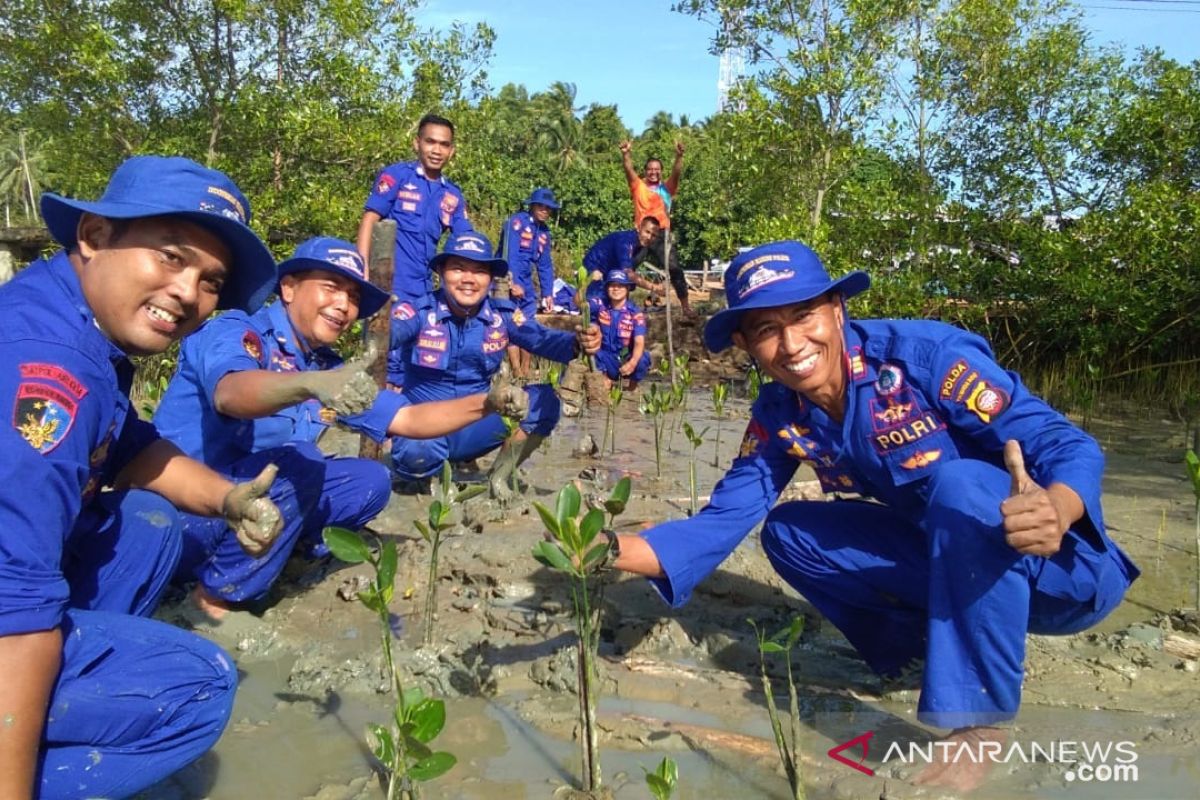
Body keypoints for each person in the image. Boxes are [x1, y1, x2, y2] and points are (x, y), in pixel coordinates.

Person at [599, 240, 1139, 792]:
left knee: (961, 484)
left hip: (1059, 573)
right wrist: (600, 550)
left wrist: (1057, 506)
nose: (791, 345)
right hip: (951, 574)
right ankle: (914, 657)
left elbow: (1065, 443)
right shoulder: (782, 414)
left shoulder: (924, 359)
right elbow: (723, 519)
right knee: (789, 533)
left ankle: (978, 720)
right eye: (765, 330)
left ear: (837, 309)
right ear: (745, 345)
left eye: (803, 315)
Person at [0, 155, 287, 798]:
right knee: (196, 683)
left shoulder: (72, 318)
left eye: (210, 280)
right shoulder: (52, 373)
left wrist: (227, 499)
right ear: (95, 236)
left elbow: (134, 449)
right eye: (170, 257)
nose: (188, 292)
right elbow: (12, 611)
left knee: (150, 523)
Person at [154, 237, 526, 617]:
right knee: (300, 460)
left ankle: (281, 560)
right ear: (288, 287)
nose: (343, 305)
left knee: (369, 482)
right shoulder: (238, 332)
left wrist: (489, 402)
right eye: (331, 287)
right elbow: (231, 393)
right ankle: (213, 601)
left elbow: (409, 419)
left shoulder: (324, 365)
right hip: (183, 513)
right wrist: (304, 385)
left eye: (352, 297)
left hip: (256, 512)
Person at [389, 231, 600, 501]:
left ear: (490, 279)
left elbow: (544, 340)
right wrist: (379, 325)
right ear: (441, 271)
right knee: (418, 453)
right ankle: (427, 481)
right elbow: (386, 336)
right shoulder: (418, 313)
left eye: (479, 271)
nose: (468, 279)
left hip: (475, 425)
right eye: (458, 268)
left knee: (545, 402)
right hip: (424, 428)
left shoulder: (502, 316)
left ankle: (498, 478)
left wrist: (580, 342)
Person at [356, 113, 472, 304]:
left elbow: (466, 241)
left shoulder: (453, 194)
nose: (437, 150)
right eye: (430, 142)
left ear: (451, 151)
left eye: (444, 145)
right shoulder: (396, 176)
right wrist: (361, 269)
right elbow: (369, 219)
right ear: (417, 143)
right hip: (389, 288)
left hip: (426, 292)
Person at [499, 187, 559, 378]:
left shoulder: (544, 232)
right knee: (512, 322)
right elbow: (510, 256)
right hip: (505, 279)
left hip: (525, 282)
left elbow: (545, 264)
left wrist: (548, 293)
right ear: (532, 205)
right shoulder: (516, 223)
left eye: (548, 208)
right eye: (541, 206)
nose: (544, 210)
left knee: (529, 323)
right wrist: (512, 283)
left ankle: (525, 370)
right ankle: (516, 369)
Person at [589, 270, 650, 390]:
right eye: (612, 285)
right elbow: (580, 303)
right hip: (606, 358)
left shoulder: (635, 314)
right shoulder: (599, 305)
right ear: (607, 288)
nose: (616, 289)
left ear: (627, 289)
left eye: (620, 285)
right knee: (590, 350)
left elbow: (639, 342)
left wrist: (632, 363)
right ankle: (605, 381)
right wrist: (590, 281)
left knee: (643, 358)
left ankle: (632, 389)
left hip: (626, 358)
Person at [581, 216, 664, 303]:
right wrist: (654, 287)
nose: (649, 237)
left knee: (622, 305)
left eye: (653, 235)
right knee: (597, 307)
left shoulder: (640, 245)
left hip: (608, 274)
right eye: (647, 232)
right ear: (639, 228)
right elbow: (629, 274)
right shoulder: (625, 242)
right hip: (594, 272)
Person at [620, 140, 684, 232]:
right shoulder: (638, 186)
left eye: (657, 169)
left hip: (661, 235)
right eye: (650, 169)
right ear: (645, 171)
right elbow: (629, 170)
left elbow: (676, 173)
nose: (653, 172)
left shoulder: (667, 188)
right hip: (641, 234)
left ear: (662, 171)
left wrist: (679, 156)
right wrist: (626, 154)